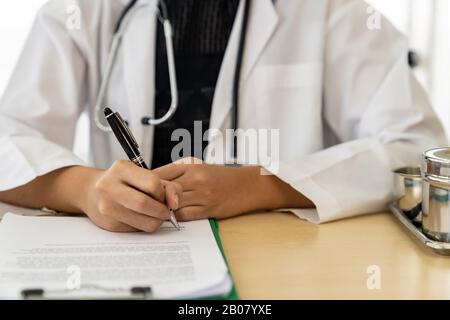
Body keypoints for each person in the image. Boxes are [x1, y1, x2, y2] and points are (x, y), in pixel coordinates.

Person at [0, 0, 446, 232]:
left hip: (282, 264)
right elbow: (9, 139)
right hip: (134, 252)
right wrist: (85, 189)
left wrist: (261, 184)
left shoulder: (331, 11)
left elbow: (414, 147)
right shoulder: (82, 11)